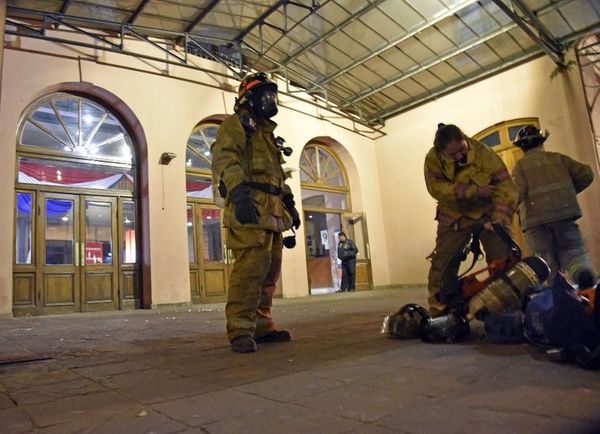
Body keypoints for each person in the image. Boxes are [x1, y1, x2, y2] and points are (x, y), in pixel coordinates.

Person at [211, 72, 301, 353]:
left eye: (272, 95)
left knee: (269, 273)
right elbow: (225, 158)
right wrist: (239, 194)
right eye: (265, 95)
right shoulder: (235, 125)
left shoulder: (267, 135)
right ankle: (240, 328)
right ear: (249, 99)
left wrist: (289, 203)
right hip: (249, 209)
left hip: (272, 214)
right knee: (249, 271)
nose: (270, 100)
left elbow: (276, 176)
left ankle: (261, 326)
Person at [424, 123, 518, 317]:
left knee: (503, 258)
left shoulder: (484, 154)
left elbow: (506, 188)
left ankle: (504, 307)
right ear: (441, 152)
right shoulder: (432, 159)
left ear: (465, 140)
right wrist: (471, 191)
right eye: (452, 155)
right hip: (454, 216)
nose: (459, 156)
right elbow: (436, 189)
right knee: (443, 263)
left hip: (487, 214)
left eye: (462, 150)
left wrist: (499, 219)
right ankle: (440, 309)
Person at [511, 125, 596, 287]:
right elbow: (586, 173)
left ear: (521, 147)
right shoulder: (558, 158)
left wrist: (507, 211)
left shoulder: (520, 167)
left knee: (545, 260)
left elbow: (517, 193)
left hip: (535, 223)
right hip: (564, 215)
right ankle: (582, 273)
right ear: (541, 142)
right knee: (572, 251)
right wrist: (567, 194)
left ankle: (557, 292)